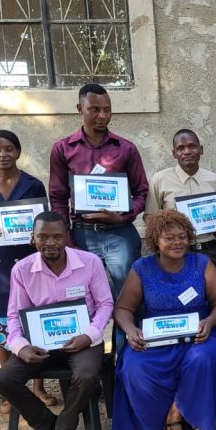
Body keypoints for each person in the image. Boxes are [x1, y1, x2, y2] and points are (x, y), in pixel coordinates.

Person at [0, 212, 114, 430]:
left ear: (66, 236)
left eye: (58, 236)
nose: (51, 243)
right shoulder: (22, 270)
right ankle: (45, 424)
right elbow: (14, 315)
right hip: (39, 345)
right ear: (32, 238)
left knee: (88, 374)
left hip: (83, 342)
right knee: (4, 379)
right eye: (43, 237)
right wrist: (20, 346)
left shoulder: (90, 262)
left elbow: (105, 304)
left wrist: (89, 335)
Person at [111, 210, 216, 430]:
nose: (178, 242)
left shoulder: (202, 263)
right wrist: (130, 329)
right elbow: (123, 308)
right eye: (170, 238)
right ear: (156, 241)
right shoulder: (142, 268)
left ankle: (180, 413)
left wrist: (209, 322)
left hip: (197, 335)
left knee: (203, 358)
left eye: (182, 236)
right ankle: (157, 417)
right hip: (155, 337)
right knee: (134, 366)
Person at [146, 128, 216, 395]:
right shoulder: (160, 180)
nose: (187, 151)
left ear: (201, 149)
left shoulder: (214, 180)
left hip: (211, 251)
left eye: (192, 146)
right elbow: (150, 220)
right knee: (178, 308)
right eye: (181, 148)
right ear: (174, 152)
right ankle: (181, 366)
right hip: (177, 256)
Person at [0, 130, 53, 414]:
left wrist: (38, 235)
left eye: (9, 149)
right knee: (1, 320)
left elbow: (43, 220)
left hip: (31, 259)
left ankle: (39, 388)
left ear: (18, 152)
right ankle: (10, 389)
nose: (3, 154)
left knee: (34, 317)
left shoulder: (32, 184)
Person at [48, 83, 149, 298]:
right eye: (95, 109)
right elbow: (57, 196)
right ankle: (89, 334)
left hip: (120, 236)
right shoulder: (63, 149)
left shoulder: (126, 149)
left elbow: (141, 192)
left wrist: (123, 217)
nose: (102, 115)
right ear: (79, 109)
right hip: (82, 235)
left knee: (129, 296)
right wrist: (65, 235)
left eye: (107, 109)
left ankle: (126, 333)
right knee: (81, 297)